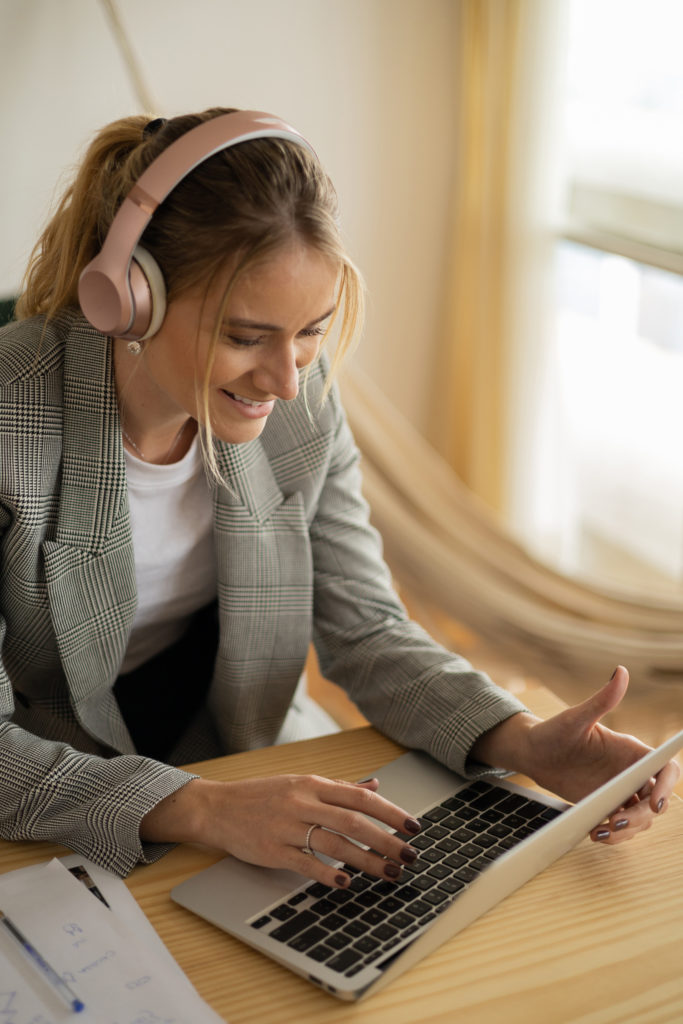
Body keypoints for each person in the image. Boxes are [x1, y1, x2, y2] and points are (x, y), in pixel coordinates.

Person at [0, 107, 678, 885]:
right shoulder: (9, 425)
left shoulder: (301, 395)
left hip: (243, 742)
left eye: (311, 331)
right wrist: (205, 808)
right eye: (246, 337)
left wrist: (521, 739)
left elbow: (366, 630)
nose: (286, 381)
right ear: (128, 299)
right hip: (50, 785)